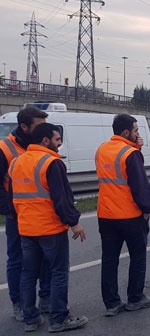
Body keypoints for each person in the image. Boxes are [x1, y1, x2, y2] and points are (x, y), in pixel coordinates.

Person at [8, 123, 88, 333]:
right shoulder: (52, 163)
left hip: (26, 229)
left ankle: (30, 319)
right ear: (45, 140)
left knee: (28, 273)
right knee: (58, 272)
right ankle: (59, 319)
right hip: (50, 229)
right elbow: (62, 199)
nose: (59, 144)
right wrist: (74, 223)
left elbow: (12, 197)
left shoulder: (16, 162)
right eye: (57, 140)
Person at [95, 114, 150, 317]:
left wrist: (135, 149)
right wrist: (147, 208)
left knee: (109, 259)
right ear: (126, 132)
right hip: (130, 216)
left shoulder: (102, 150)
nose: (138, 134)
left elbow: (116, 176)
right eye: (136, 131)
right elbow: (139, 185)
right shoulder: (130, 154)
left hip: (106, 215)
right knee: (138, 256)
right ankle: (135, 298)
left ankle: (112, 303)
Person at [0, 106, 51, 321]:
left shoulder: (41, 144)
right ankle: (19, 303)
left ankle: (46, 300)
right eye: (39, 126)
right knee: (18, 260)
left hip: (42, 215)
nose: (45, 130)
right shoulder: (5, 149)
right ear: (24, 127)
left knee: (47, 259)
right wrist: (10, 212)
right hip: (17, 216)